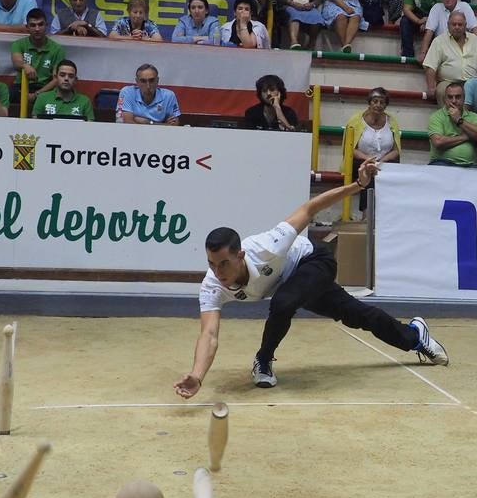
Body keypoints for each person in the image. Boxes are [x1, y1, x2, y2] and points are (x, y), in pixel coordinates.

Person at [179, 157, 446, 395]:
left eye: (224, 263)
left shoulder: (268, 246)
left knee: (284, 302)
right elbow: (209, 334)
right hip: (292, 284)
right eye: (212, 264)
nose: (218, 271)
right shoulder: (212, 285)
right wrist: (197, 376)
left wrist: (358, 186)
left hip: (313, 261)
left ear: (241, 256)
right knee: (357, 314)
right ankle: (414, 335)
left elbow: (309, 209)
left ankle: (263, 360)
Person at [343, 88, 400, 215]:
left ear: (386, 105)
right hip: (361, 161)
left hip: (384, 161)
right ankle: (366, 214)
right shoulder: (355, 121)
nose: (378, 105)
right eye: (375, 101)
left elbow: (396, 151)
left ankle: (390, 215)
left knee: (385, 171)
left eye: (382, 102)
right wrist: (370, 160)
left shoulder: (392, 121)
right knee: (369, 171)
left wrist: (381, 160)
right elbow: (351, 150)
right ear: (369, 103)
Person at [428, 82, 477, 168]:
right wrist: (465, 137)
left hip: (469, 165)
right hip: (442, 163)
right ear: (445, 99)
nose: (454, 101)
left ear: (464, 98)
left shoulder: (472, 116)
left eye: (458, 97)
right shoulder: (436, 117)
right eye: (450, 97)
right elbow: (438, 142)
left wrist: (459, 120)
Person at [9, 8, 64, 98]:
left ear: (46, 25)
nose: (37, 29)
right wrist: (25, 66)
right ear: (27, 27)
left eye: (40, 24)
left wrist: (37, 94)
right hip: (21, 86)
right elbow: (16, 62)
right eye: (33, 25)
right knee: (7, 95)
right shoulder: (18, 44)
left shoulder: (57, 49)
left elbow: (56, 79)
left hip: (45, 88)